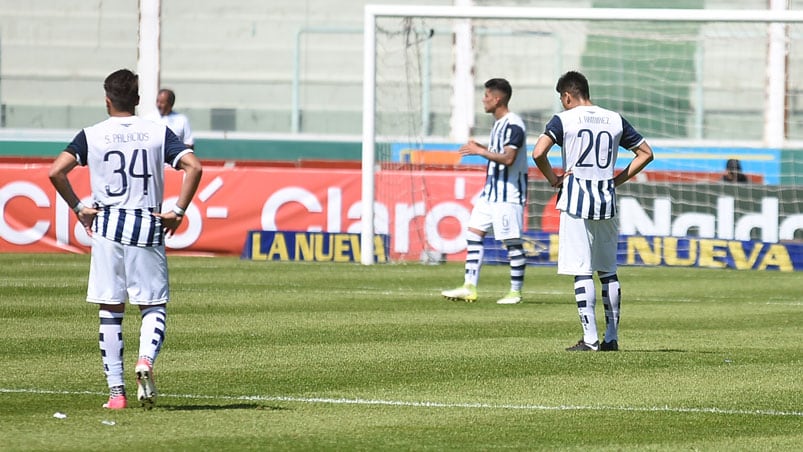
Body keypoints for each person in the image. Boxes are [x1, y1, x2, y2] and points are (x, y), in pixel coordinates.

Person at [48, 69, 203, 409]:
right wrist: (177, 210)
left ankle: (116, 394)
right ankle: (145, 360)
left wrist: (78, 207)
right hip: (146, 221)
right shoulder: (157, 132)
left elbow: (56, 171)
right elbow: (194, 167)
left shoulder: (92, 135)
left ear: (107, 101)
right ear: (137, 100)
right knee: (153, 305)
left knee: (110, 309)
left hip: (107, 225)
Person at [532, 71, 654, 351]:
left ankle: (590, 339)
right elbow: (646, 153)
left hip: (576, 198)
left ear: (567, 96)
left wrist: (553, 179)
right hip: (605, 199)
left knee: (582, 270)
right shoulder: (614, 118)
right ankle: (612, 339)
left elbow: (539, 152)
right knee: (608, 271)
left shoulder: (563, 119)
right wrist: (617, 180)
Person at [441, 78, 529, 305]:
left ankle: (515, 292)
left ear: (497, 99)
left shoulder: (513, 124)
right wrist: (481, 148)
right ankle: (469, 286)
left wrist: (480, 152)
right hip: (491, 194)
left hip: (508, 195)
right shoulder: (499, 124)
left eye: (487, 96)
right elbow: (500, 153)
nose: (484, 100)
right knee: (473, 234)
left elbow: (509, 158)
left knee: (512, 243)